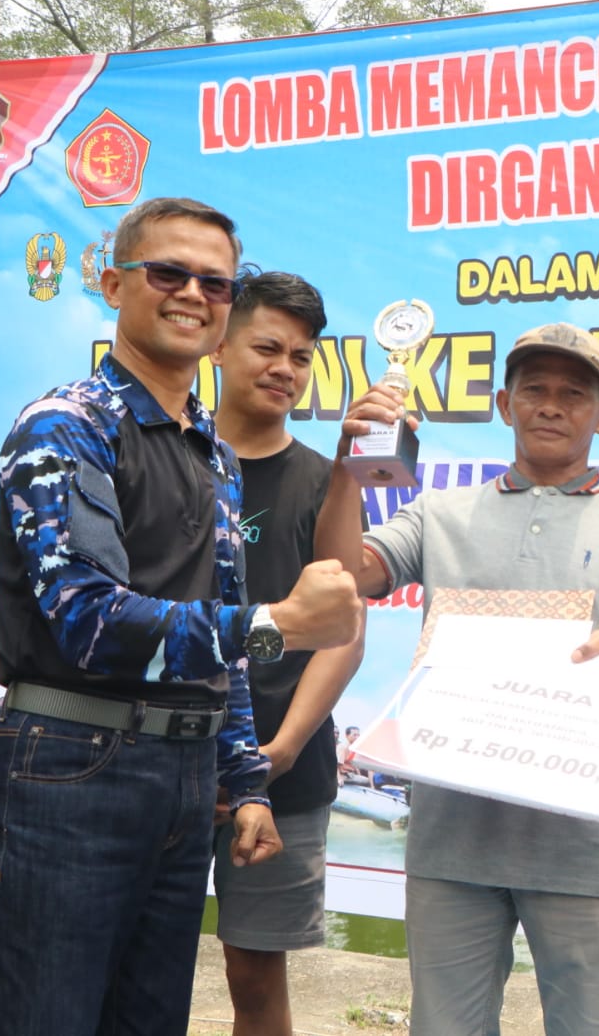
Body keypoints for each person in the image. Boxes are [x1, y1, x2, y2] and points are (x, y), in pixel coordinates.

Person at [0, 197, 361, 1035]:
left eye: (215, 282)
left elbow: (219, 640)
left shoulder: (211, 452)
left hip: (184, 778)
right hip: (72, 764)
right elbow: (90, 621)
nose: (193, 294)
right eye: (169, 272)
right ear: (114, 285)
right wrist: (277, 622)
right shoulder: (66, 424)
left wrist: (245, 783)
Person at [334, 322, 599, 1036]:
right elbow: (346, 573)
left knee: (590, 1027)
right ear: (504, 404)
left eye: (574, 394)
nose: (551, 406)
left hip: (581, 845)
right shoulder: (438, 513)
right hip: (451, 839)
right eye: (533, 389)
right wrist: (351, 466)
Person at [210, 270, 367, 1036]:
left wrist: (282, 749)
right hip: (160, 761)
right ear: (218, 343)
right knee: (134, 960)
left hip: (285, 775)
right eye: (267, 348)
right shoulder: (166, 460)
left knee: (256, 979)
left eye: (301, 357)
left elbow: (344, 630)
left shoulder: (322, 480)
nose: (284, 368)